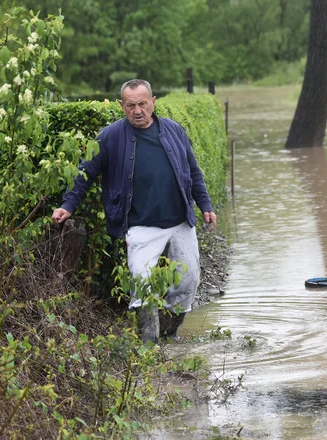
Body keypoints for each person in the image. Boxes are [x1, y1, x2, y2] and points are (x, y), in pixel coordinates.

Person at [51, 79, 217, 343]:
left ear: (153, 102)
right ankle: (147, 345)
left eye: (142, 103)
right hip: (140, 224)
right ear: (121, 106)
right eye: (130, 105)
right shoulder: (110, 137)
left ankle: (169, 334)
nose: (137, 110)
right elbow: (85, 172)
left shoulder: (174, 130)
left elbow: (193, 172)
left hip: (179, 221)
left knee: (188, 281)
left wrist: (205, 205)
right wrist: (68, 205)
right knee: (142, 281)